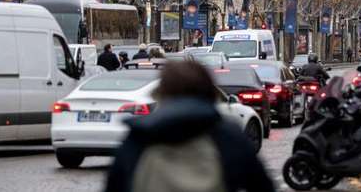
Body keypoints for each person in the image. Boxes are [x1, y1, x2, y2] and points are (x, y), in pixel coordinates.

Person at [105, 61, 274, 192]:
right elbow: (261, 185)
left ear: (163, 93)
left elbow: (115, 186)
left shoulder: (140, 138)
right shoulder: (226, 135)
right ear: (208, 91)